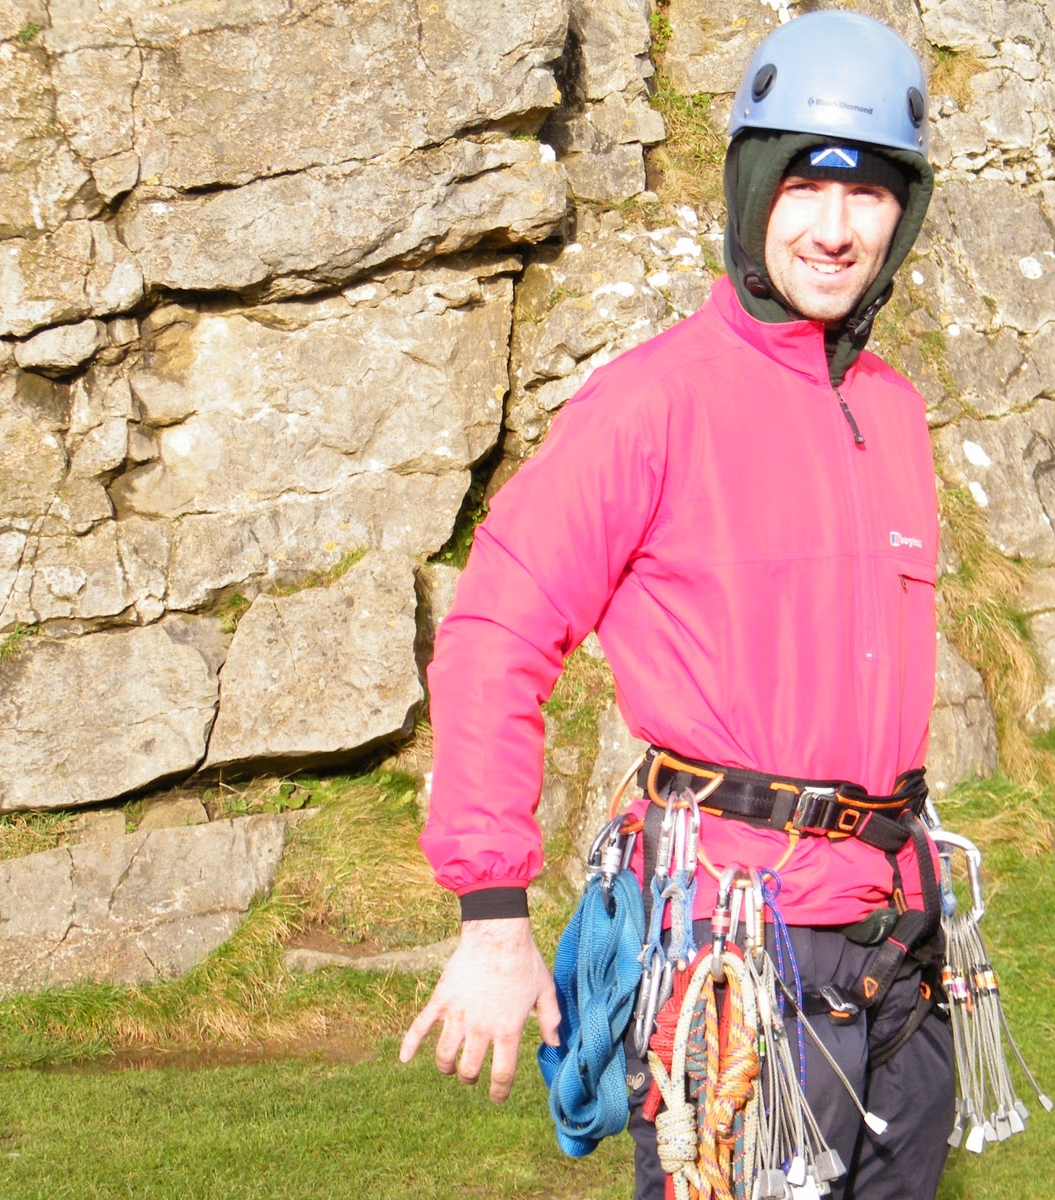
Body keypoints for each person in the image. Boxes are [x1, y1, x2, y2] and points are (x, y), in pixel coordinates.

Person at [401, 10, 953, 1197]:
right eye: (804, 184)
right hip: (740, 948)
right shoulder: (650, 406)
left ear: (904, 213)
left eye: (868, 195)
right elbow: (495, 635)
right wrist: (491, 916)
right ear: (752, 190)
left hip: (899, 949)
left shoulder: (893, 412)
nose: (834, 227)